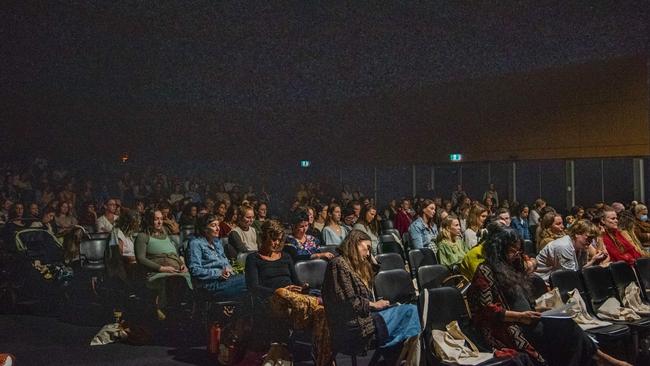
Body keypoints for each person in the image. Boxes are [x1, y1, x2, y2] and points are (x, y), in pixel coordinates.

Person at [467, 225, 630, 366]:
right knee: (565, 332)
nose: (516, 254)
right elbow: (485, 310)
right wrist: (519, 316)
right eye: (512, 251)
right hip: (506, 325)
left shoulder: (513, 266)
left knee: (566, 325)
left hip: (528, 319)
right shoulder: (485, 270)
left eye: (518, 250)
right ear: (498, 250)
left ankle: (599, 358)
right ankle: (602, 359)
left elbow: (531, 264)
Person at [322, 230, 420, 363]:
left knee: (407, 311)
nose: (368, 253)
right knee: (410, 312)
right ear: (356, 243)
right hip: (353, 324)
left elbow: (372, 272)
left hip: (364, 316)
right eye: (367, 248)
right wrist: (374, 304)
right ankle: (403, 357)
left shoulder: (352, 265)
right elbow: (348, 302)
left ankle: (400, 357)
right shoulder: (338, 264)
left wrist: (370, 257)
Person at [245, 220, 331, 366]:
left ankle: (324, 361)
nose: (276, 243)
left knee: (321, 313)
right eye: (273, 239)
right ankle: (314, 301)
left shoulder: (286, 257)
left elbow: (296, 282)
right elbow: (254, 287)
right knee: (283, 293)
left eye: (279, 239)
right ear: (264, 238)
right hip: (272, 299)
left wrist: (302, 288)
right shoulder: (253, 259)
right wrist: (283, 291)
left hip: (295, 301)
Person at [134, 209, 192, 320]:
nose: (160, 222)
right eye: (156, 219)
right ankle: (171, 315)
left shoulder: (165, 234)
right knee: (175, 281)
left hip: (175, 271)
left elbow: (174, 253)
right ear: (149, 220)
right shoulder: (143, 236)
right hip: (156, 273)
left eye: (161, 219)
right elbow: (141, 259)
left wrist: (182, 264)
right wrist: (162, 268)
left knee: (191, 279)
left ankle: (185, 315)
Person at [187, 214, 246, 298]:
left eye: (218, 225)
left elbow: (225, 262)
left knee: (255, 281)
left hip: (225, 281)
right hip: (210, 285)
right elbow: (195, 270)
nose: (218, 228)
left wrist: (228, 270)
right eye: (213, 226)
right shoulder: (195, 243)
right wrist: (218, 273)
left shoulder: (217, 242)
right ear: (204, 228)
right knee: (251, 280)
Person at [534, 220, 608, 282]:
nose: (590, 242)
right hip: (542, 282)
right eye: (588, 238)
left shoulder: (581, 247)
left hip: (557, 280)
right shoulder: (564, 246)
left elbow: (579, 271)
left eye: (592, 239)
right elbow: (572, 277)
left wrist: (594, 261)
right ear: (577, 233)